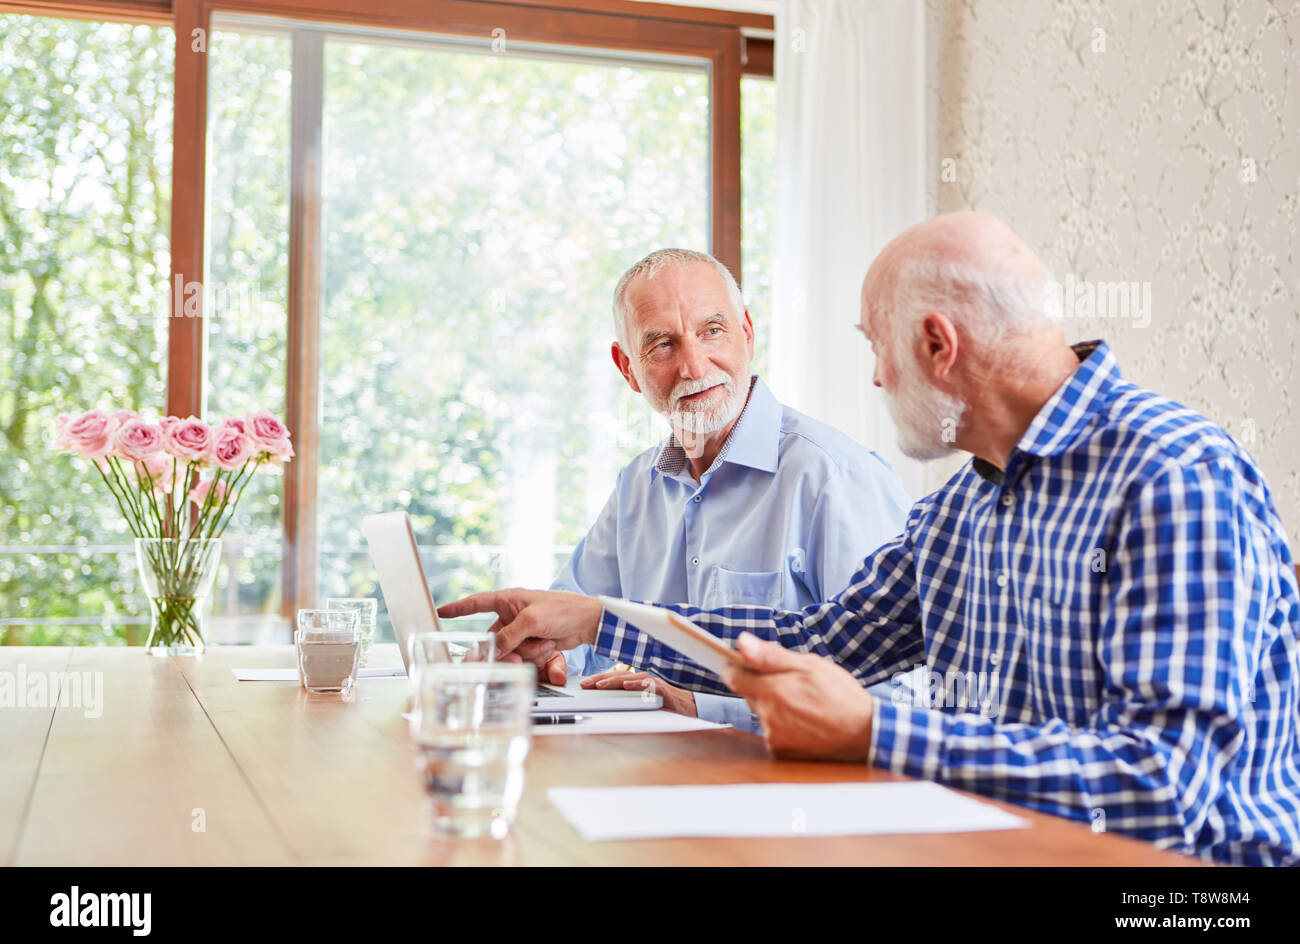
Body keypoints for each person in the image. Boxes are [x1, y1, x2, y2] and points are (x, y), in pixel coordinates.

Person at [442, 213, 1300, 865]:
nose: (879, 377)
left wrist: (876, 736)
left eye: (876, 349)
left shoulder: (1173, 473)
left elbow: (1168, 786)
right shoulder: (962, 508)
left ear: (936, 344)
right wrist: (596, 618)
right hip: (994, 848)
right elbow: (821, 642)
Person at [540, 248, 911, 731]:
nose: (694, 366)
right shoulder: (637, 486)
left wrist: (703, 707)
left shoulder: (835, 478)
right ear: (627, 368)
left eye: (711, 331)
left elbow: (896, 693)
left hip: (792, 790)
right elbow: (574, 621)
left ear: (747, 333)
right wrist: (542, 656)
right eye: (662, 344)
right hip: (658, 776)